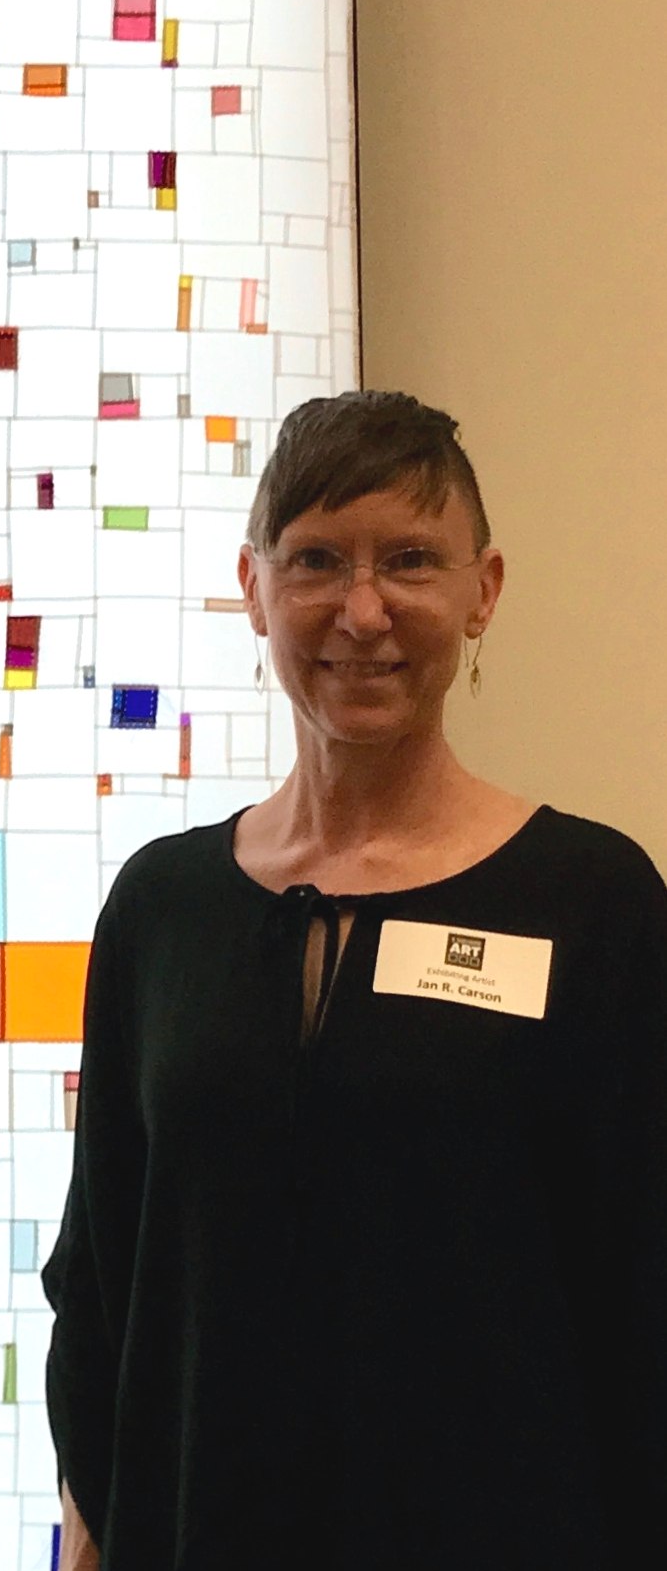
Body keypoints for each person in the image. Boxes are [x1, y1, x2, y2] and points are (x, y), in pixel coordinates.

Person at [42, 390, 667, 1570]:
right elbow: (103, 1279)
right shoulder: (161, 909)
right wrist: (85, 1531)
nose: (362, 611)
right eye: (316, 560)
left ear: (482, 591)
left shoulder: (591, 904)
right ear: (253, 588)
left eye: (409, 561)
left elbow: (641, 1293)